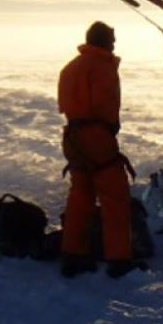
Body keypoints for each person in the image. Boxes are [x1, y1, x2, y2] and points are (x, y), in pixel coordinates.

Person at [56, 21, 137, 279]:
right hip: (96, 135)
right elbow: (105, 104)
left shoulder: (71, 67)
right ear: (103, 41)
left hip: (72, 137)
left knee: (81, 193)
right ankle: (118, 260)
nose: (114, 44)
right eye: (112, 40)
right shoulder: (102, 67)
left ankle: (72, 256)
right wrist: (110, 130)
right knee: (115, 195)